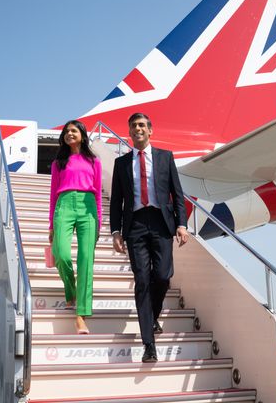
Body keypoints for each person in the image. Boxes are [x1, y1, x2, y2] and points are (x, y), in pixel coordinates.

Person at [110, 113, 188, 363]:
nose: (138, 129)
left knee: (163, 276)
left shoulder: (165, 157)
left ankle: (152, 317)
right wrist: (115, 232)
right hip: (135, 226)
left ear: (150, 131)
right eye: (133, 126)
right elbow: (116, 202)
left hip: (161, 222)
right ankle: (149, 345)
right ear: (129, 133)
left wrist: (182, 224)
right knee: (142, 280)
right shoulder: (121, 163)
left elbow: (177, 193)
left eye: (142, 125)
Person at [48, 120, 102, 335]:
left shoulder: (93, 160)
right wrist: (51, 224)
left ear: (82, 134)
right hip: (64, 204)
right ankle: (70, 292)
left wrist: (98, 220)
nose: (69, 133)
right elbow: (53, 194)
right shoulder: (58, 162)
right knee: (61, 253)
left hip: (88, 207)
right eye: (66, 131)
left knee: (86, 260)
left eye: (74, 130)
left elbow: (98, 193)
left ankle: (80, 316)